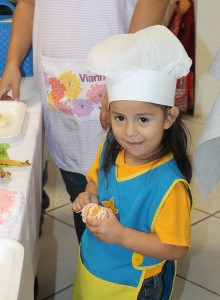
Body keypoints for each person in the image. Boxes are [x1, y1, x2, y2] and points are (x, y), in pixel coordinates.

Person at [0, 0, 171, 243]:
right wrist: (12, 63)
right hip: (62, 88)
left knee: (130, 196)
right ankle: (93, 266)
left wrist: (123, 76)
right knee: (82, 195)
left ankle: (134, 273)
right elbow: (28, 4)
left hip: (124, 80)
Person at [72, 25, 193, 299]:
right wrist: (88, 194)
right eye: (119, 118)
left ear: (169, 117)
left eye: (143, 119)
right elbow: (95, 179)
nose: (129, 132)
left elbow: (175, 248)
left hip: (136, 284)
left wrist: (121, 236)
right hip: (95, 264)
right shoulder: (110, 148)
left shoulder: (168, 186)